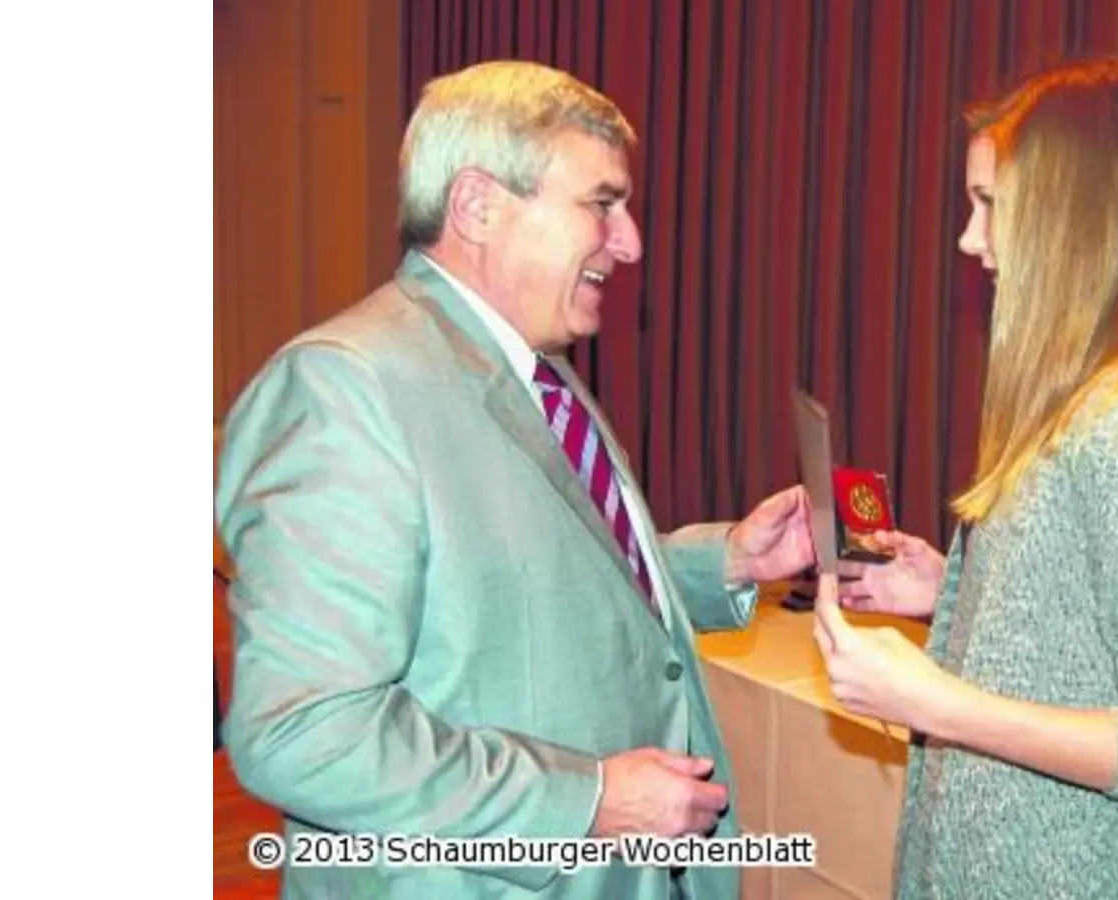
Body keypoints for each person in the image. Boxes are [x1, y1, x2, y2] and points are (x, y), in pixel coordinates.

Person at [215, 60, 815, 900]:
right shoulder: (344, 388)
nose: (632, 240)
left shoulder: (538, 370)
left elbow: (517, 586)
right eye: (602, 204)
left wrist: (726, 566)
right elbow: (305, 731)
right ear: (477, 206)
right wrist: (588, 799)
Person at [810, 57, 1118, 899]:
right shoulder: (1078, 397)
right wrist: (960, 596)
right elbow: (1090, 630)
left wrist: (938, 703)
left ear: (1071, 221)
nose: (969, 240)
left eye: (990, 206)